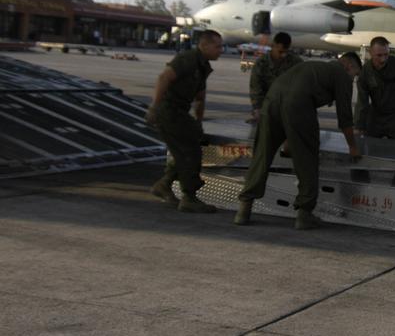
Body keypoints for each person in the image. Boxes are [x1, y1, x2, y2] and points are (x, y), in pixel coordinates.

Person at [233, 52, 363, 229]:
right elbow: (345, 116)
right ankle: (304, 213)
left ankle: (244, 209)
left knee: (262, 154)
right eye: (355, 74)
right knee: (306, 159)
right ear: (348, 65)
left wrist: (289, 136)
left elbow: (288, 94)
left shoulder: (314, 66)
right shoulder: (341, 75)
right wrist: (352, 146)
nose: (353, 79)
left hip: (272, 100)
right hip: (298, 105)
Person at [146, 30, 223, 213]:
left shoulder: (203, 65)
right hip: (168, 110)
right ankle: (189, 197)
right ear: (204, 45)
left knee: (188, 146)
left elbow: (200, 97)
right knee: (190, 152)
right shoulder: (187, 59)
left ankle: (164, 184)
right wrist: (154, 107)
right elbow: (163, 78)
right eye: (217, 46)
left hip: (180, 112)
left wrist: (199, 122)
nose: (221, 50)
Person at [249, 32, 303, 122]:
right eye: (280, 52)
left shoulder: (296, 62)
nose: (283, 55)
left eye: (286, 52)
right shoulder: (261, 64)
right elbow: (255, 89)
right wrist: (257, 109)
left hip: (288, 107)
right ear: (273, 46)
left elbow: (302, 86)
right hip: (266, 106)